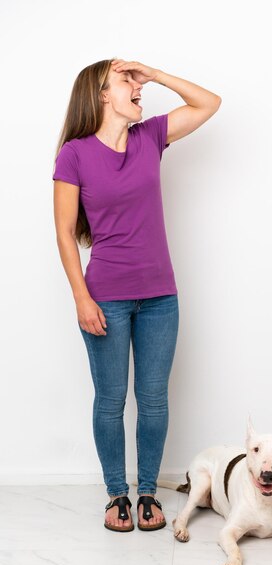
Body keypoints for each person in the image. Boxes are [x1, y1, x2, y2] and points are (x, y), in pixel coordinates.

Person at [52, 58, 221, 532]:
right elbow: (66, 233)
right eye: (125, 81)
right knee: (109, 400)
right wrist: (81, 298)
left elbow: (210, 103)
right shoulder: (75, 154)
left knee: (152, 400)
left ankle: (147, 493)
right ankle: (116, 496)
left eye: (135, 81)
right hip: (105, 296)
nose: (136, 88)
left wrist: (156, 74)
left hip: (160, 296)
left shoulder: (150, 137)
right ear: (102, 95)